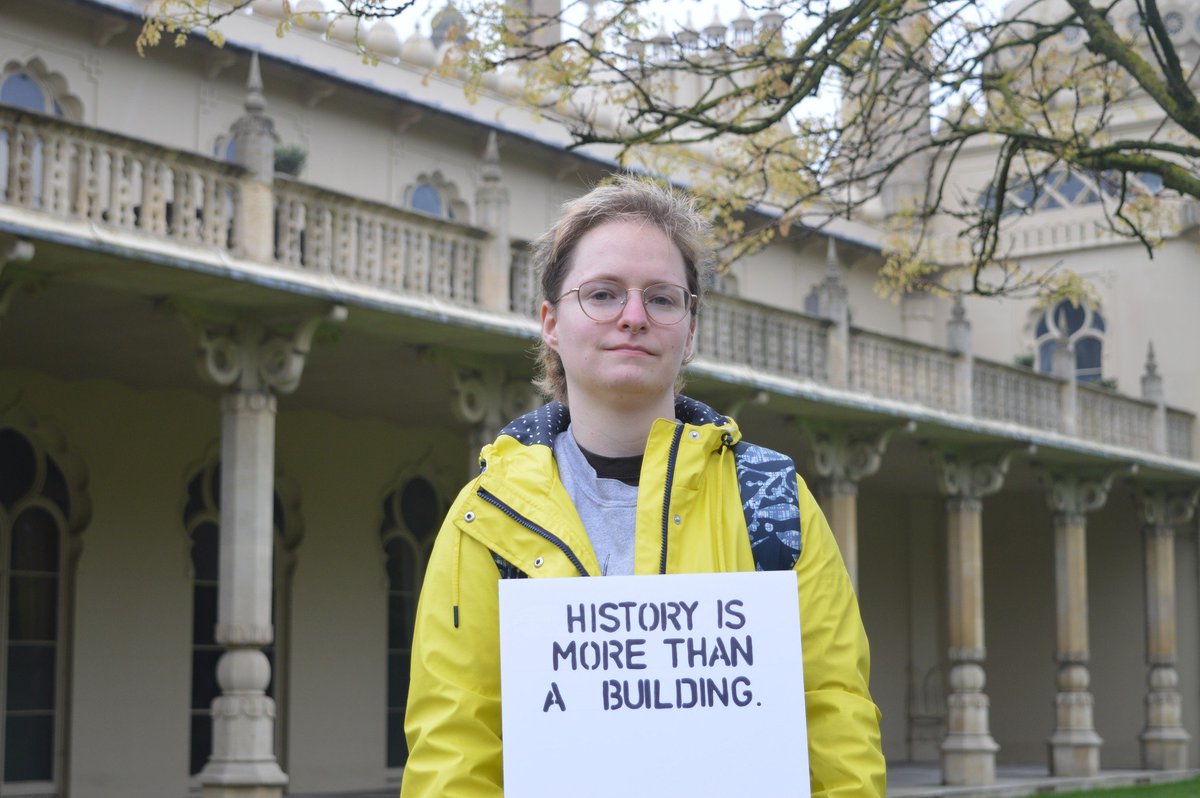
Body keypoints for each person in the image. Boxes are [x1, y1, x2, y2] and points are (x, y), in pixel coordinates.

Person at [401, 176, 885, 797]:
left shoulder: (773, 500)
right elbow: (455, 740)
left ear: (690, 330)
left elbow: (834, 716)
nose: (633, 317)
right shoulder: (486, 516)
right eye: (602, 294)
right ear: (551, 323)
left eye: (661, 298)